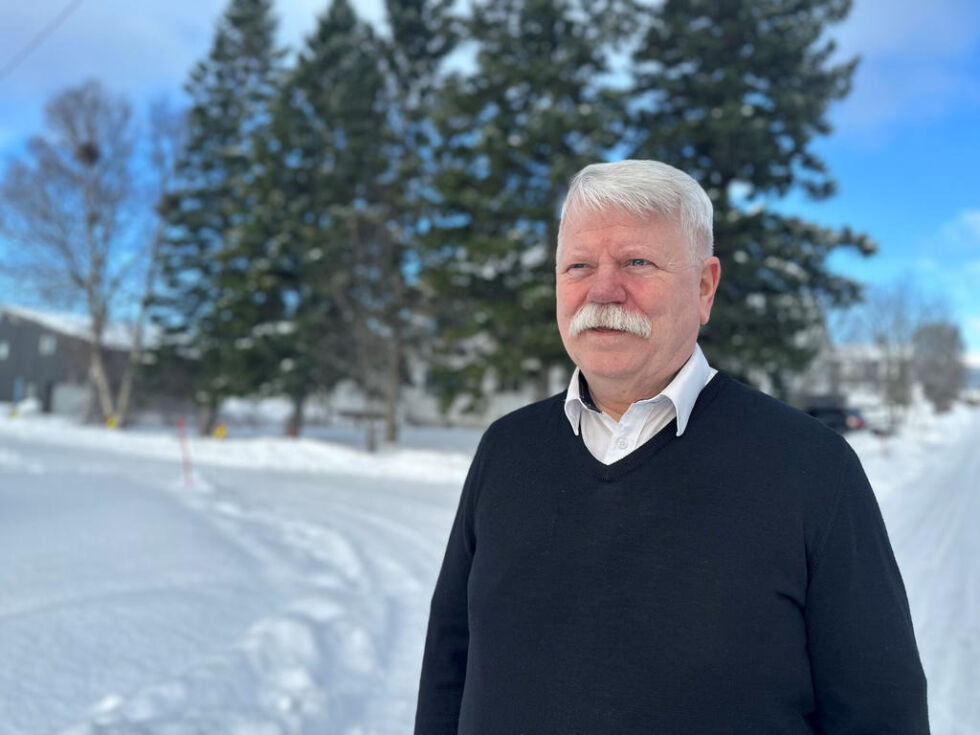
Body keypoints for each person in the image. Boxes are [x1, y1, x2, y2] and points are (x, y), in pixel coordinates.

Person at [414, 160, 929, 734]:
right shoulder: (507, 452)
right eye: (579, 265)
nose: (603, 290)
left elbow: (881, 712)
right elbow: (448, 668)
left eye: (637, 262)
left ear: (704, 286)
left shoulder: (810, 467)